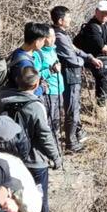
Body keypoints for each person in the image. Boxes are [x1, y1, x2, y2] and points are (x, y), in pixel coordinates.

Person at [0, 66, 62, 212]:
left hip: (10, 158)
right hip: (34, 161)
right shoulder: (35, 106)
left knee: (11, 197)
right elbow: (44, 135)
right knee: (39, 198)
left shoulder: (3, 100)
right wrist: (56, 157)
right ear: (36, 83)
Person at [51, 5, 102, 151]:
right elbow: (72, 59)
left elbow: (75, 50)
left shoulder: (62, 34)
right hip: (70, 74)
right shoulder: (59, 36)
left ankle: (76, 134)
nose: (70, 19)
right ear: (60, 20)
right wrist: (84, 63)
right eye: (68, 16)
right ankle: (71, 142)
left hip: (72, 73)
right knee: (72, 108)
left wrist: (89, 57)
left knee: (74, 107)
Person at [74, 1, 107, 106]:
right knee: (104, 76)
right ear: (96, 11)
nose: (104, 15)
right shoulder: (92, 27)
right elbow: (101, 47)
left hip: (103, 57)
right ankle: (101, 106)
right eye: (102, 12)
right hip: (90, 57)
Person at [34, 27, 64, 159]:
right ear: (43, 38)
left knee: (56, 122)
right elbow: (34, 76)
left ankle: (56, 150)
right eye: (50, 37)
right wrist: (50, 71)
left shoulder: (53, 50)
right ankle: (49, 153)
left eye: (54, 36)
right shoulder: (38, 54)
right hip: (48, 93)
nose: (53, 39)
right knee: (49, 124)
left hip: (59, 90)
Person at [8, 23, 51, 93]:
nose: (44, 43)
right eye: (43, 40)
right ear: (36, 42)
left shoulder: (18, 52)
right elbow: (29, 91)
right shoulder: (25, 64)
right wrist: (43, 88)